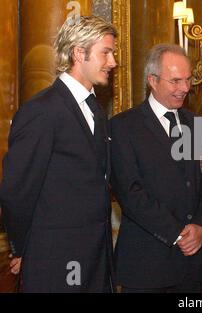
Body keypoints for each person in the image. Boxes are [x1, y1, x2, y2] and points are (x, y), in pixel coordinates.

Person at [0, 15, 117, 292]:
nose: (112, 62)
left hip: (95, 258)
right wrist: (23, 248)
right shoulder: (42, 111)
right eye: (106, 52)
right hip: (55, 259)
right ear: (79, 53)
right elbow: (17, 191)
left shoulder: (96, 112)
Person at [110, 43, 202, 293]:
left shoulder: (196, 125)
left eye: (188, 80)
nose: (184, 88)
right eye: (175, 81)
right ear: (152, 80)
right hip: (146, 265)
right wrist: (178, 233)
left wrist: (201, 227)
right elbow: (131, 194)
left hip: (192, 266)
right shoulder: (123, 127)